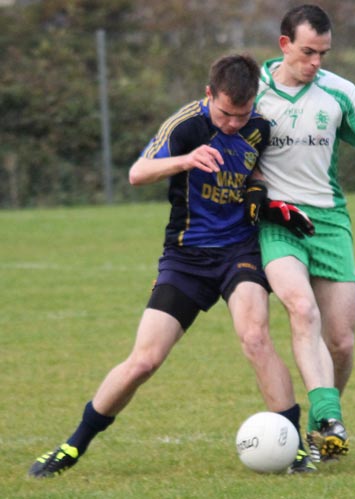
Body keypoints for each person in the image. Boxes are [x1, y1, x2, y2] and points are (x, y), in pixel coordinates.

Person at [28, 54, 317, 478]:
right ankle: (74, 444)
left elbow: (254, 173)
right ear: (208, 95)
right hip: (185, 258)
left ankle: (292, 448)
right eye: (225, 113)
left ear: (254, 102)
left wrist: (261, 197)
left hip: (239, 251)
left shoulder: (260, 126)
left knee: (255, 337)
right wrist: (184, 160)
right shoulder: (186, 124)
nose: (234, 124)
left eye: (242, 113)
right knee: (144, 361)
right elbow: (137, 172)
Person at [246, 4, 355, 462]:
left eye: (324, 53)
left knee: (341, 341)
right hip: (277, 221)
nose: (317, 62)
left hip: (330, 223)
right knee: (301, 307)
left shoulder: (339, 92)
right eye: (308, 52)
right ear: (284, 45)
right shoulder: (255, 90)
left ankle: (326, 424)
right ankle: (328, 419)